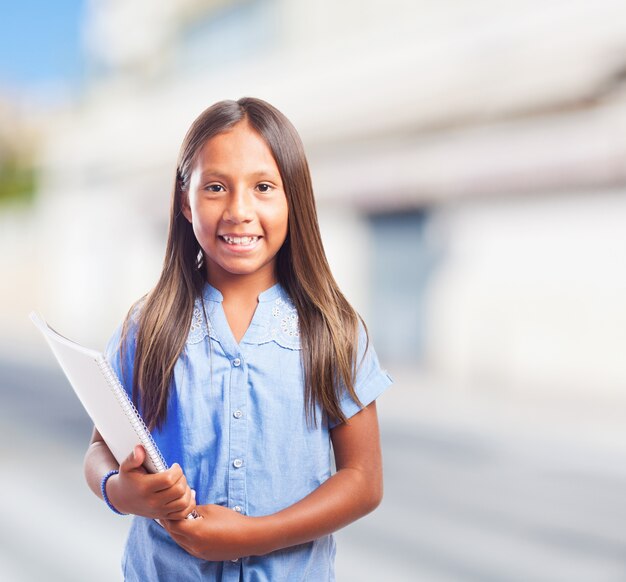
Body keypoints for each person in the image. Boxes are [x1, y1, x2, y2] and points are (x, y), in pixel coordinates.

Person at [83, 97, 392, 581]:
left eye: (264, 187)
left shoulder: (331, 329)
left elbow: (363, 481)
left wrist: (253, 534)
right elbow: (99, 450)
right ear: (186, 202)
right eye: (215, 188)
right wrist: (121, 491)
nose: (239, 210)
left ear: (295, 200)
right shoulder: (149, 325)